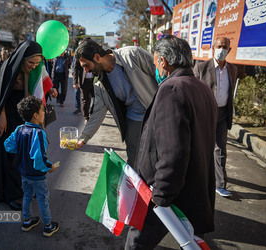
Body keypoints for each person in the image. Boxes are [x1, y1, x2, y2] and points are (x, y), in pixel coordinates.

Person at [125, 35, 218, 250]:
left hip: (170, 192)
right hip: (195, 190)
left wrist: (161, 195)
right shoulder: (202, 88)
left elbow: (173, 151)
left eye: (156, 61)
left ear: (163, 61)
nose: (155, 66)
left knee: (136, 244)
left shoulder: (172, 89)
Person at [0, 41, 58, 211]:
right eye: (30, 62)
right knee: (12, 156)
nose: (33, 66)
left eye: (37, 63)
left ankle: (23, 189)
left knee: (27, 154)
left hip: (25, 115)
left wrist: (49, 90)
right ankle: (13, 195)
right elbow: (0, 96)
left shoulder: (35, 69)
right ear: (22, 58)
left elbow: (37, 88)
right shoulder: (8, 69)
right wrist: (1, 117)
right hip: (8, 116)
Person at [75, 39, 158, 167]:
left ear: (97, 57)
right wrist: (83, 138)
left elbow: (160, 74)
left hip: (157, 114)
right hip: (134, 120)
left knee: (159, 157)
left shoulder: (132, 55)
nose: (85, 70)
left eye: (86, 65)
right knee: (134, 162)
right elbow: (98, 113)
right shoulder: (99, 84)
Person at [4, 95, 60, 237]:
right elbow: (39, 158)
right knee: (42, 198)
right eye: (43, 111)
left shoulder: (19, 129)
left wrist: (22, 150)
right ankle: (48, 226)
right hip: (37, 175)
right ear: (36, 115)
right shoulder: (39, 133)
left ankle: (27, 221)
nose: (45, 113)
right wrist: (50, 167)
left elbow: (8, 145)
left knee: (27, 196)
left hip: (24, 173)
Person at [193, 37, 238, 197]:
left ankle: (220, 184)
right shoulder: (201, 68)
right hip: (205, 114)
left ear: (229, 50)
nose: (221, 49)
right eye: (219, 46)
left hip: (223, 114)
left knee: (220, 149)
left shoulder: (232, 70)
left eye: (225, 47)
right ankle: (197, 180)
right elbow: (193, 91)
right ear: (213, 48)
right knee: (202, 148)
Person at [72, 39, 95, 123]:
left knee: (95, 98)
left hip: (93, 81)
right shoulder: (78, 55)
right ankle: (86, 117)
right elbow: (76, 69)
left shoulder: (92, 54)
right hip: (83, 82)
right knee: (85, 100)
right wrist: (75, 82)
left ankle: (92, 113)